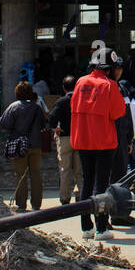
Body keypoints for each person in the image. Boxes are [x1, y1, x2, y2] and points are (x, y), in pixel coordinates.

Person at [71, 47, 127, 241]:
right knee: (101, 184)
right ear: (109, 68)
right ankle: (102, 228)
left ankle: (86, 227)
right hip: (103, 140)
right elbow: (118, 112)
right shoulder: (110, 85)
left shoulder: (80, 82)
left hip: (82, 138)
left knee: (87, 182)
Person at [0, 81, 46, 212]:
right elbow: (43, 124)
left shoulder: (13, 106)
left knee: (20, 175)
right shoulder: (36, 107)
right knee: (36, 174)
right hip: (35, 145)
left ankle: (21, 204)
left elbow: (4, 123)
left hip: (19, 145)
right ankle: (36, 203)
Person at [49, 76, 81, 204]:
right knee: (80, 169)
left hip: (65, 138)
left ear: (63, 88)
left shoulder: (61, 102)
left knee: (65, 169)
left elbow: (52, 119)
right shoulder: (82, 100)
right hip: (80, 137)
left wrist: (55, 128)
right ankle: (80, 194)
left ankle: (65, 196)